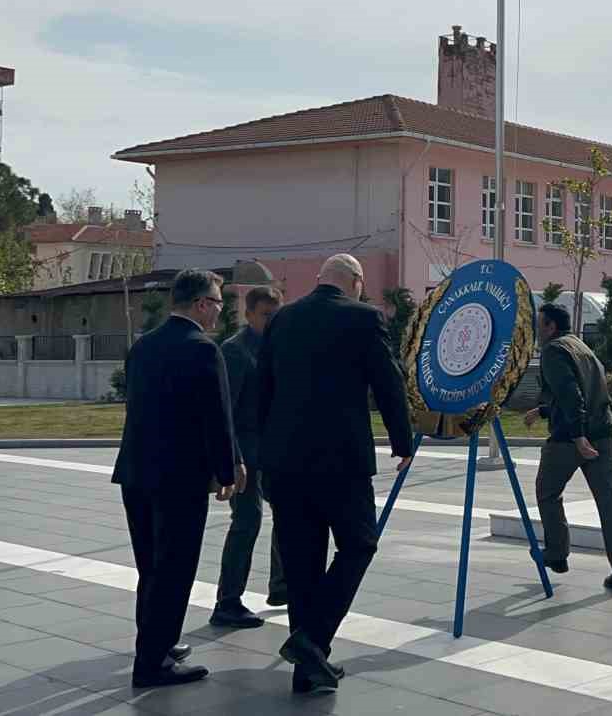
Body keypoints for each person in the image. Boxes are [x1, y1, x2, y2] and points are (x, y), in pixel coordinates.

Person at [258, 254, 414, 695]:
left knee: (302, 563)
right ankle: (311, 640)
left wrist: (261, 455)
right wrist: (402, 442)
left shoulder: (282, 320)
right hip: (341, 463)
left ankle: (309, 668)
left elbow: (262, 389)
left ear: (321, 279)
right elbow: (389, 383)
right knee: (360, 543)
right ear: (356, 282)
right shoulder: (365, 319)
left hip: (285, 464)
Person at [112, 268, 245, 688]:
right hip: (179, 479)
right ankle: (152, 664)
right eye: (219, 303)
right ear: (203, 304)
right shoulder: (203, 349)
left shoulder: (143, 346)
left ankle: (157, 643)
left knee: (150, 568)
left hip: (136, 473)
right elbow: (216, 418)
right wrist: (228, 469)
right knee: (174, 570)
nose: (221, 312)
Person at [525, 303, 612, 593]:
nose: (537, 332)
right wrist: (544, 411)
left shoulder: (553, 350)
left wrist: (577, 437)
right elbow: (580, 392)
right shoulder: (580, 346)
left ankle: (557, 553)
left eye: (540, 326)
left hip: (570, 439)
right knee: (610, 503)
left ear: (550, 327)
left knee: (547, 491)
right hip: (602, 432)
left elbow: (571, 395)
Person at [210, 286, 286, 629]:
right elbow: (225, 410)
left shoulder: (275, 348)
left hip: (272, 451)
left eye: (276, 314)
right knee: (246, 522)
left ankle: (281, 587)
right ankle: (227, 601)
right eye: (266, 315)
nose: (272, 321)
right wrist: (232, 459)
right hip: (245, 453)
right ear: (249, 314)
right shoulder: (235, 352)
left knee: (288, 515)